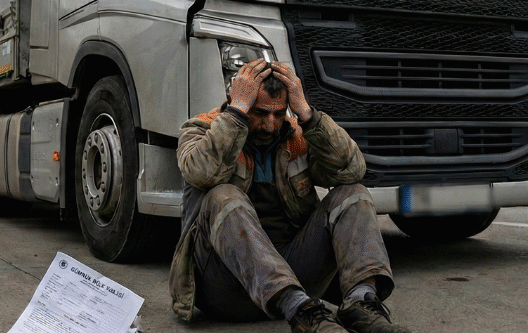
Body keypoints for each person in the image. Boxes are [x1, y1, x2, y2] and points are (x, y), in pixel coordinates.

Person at [169, 59, 410, 333]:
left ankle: (360, 303)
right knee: (222, 195)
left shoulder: (298, 134)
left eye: (278, 113)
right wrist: (237, 114)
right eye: (260, 112)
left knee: (353, 193)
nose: (270, 125)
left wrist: (307, 114)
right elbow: (200, 173)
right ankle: (301, 310)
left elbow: (352, 169)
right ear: (237, 99)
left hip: (296, 279)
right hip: (224, 287)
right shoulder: (202, 129)